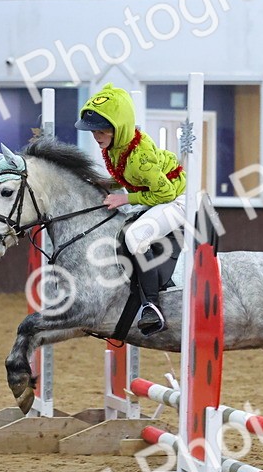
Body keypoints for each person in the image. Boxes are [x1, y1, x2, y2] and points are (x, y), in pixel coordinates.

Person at [76, 83, 187, 337]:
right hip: (158, 197)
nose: (95, 135)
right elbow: (130, 178)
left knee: (135, 236)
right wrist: (104, 183)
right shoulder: (117, 148)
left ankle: (151, 307)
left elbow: (165, 193)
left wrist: (123, 199)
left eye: (100, 129)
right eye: (92, 130)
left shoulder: (140, 156)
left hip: (177, 200)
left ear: (119, 127)